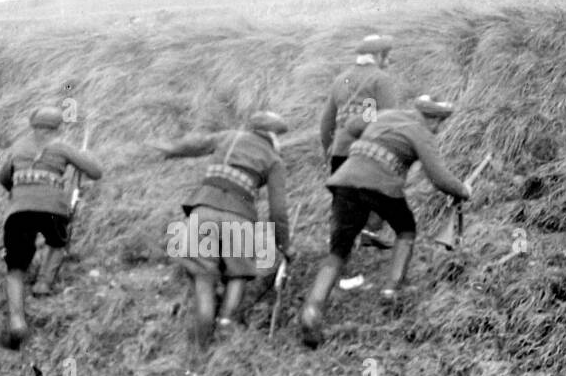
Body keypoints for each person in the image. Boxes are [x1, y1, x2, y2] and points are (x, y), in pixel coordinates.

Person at [300, 96, 470, 348]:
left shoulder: (385, 115)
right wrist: (463, 191)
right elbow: (439, 178)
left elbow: (351, 125)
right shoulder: (421, 132)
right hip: (380, 184)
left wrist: (370, 133)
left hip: (345, 180)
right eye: (439, 122)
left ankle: (311, 312)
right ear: (432, 118)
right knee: (406, 229)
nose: (439, 128)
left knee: (338, 252)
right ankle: (392, 290)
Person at [151, 110, 293, 347]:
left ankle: (199, 352)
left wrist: (169, 150)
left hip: (203, 210)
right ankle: (226, 326)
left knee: (203, 278)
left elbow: (195, 144)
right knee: (239, 273)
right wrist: (284, 245)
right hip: (240, 218)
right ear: (273, 135)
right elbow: (278, 211)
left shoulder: (230, 137)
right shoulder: (274, 160)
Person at [0, 106, 104, 349]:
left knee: (15, 270)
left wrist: (23, 191)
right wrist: (86, 156)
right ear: (58, 127)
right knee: (57, 241)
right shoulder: (62, 147)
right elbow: (96, 172)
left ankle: (16, 321)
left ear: (32, 125)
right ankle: (44, 282)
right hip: (53, 210)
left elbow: (3, 179)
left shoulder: (18, 148)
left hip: (19, 210)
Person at [318, 33, 401, 250]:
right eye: (387, 55)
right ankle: (369, 232)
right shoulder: (381, 80)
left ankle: (339, 239)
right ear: (378, 56)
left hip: (340, 149)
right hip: (367, 150)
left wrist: (329, 149)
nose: (389, 60)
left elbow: (326, 123)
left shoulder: (340, 80)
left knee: (343, 198)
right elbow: (387, 118)